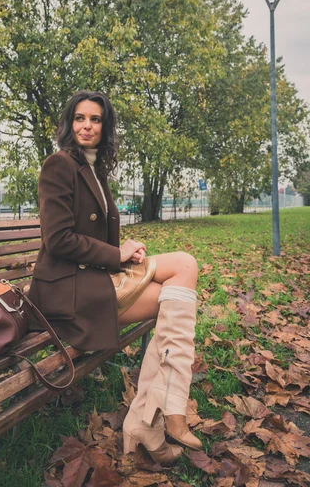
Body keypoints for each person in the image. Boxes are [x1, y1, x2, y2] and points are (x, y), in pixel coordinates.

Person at [29, 90, 201, 466]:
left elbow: (92, 237)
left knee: (185, 265)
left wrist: (124, 250)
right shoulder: (58, 165)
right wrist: (115, 255)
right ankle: (155, 419)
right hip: (65, 289)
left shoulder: (93, 168)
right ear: (68, 123)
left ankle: (163, 411)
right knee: (169, 303)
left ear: (105, 127)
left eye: (95, 119)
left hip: (93, 276)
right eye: (79, 118)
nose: (86, 125)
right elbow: (57, 240)